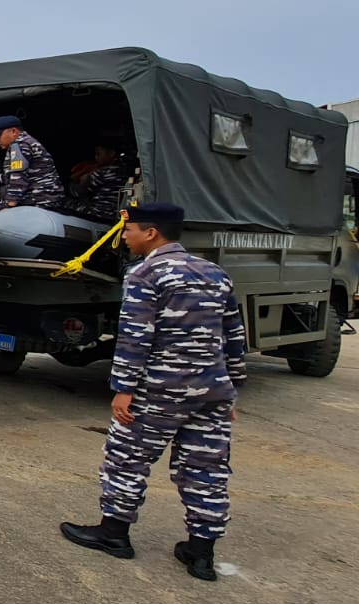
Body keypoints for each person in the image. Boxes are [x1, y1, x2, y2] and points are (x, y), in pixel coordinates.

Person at [60, 203, 246, 582]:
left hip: (160, 390)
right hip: (211, 391)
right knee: (206, 470)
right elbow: (234, 337)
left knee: (127, 459)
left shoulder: (145, 273)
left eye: (129, 231)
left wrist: (123, 389)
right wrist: (232, 390)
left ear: (151, 233)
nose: (124, 237)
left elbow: (135, 336)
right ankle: (201, 553)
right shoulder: (216, 273)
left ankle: (114, 534)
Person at [0, 115, 65, 227]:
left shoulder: (21, 145)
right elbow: (9, 176)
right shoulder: (25, 142)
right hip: (44, 198)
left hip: (39, 201)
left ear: (13, 131)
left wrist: (10, 206)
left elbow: (18, 178)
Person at [65, 142, 126, 223]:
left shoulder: (102, 173)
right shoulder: (125, 171)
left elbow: (77, 192)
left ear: (111, 153)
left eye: (98, 154)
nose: (95, 157)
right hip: (115, 215)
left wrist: (70, 183)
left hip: (97, 214)